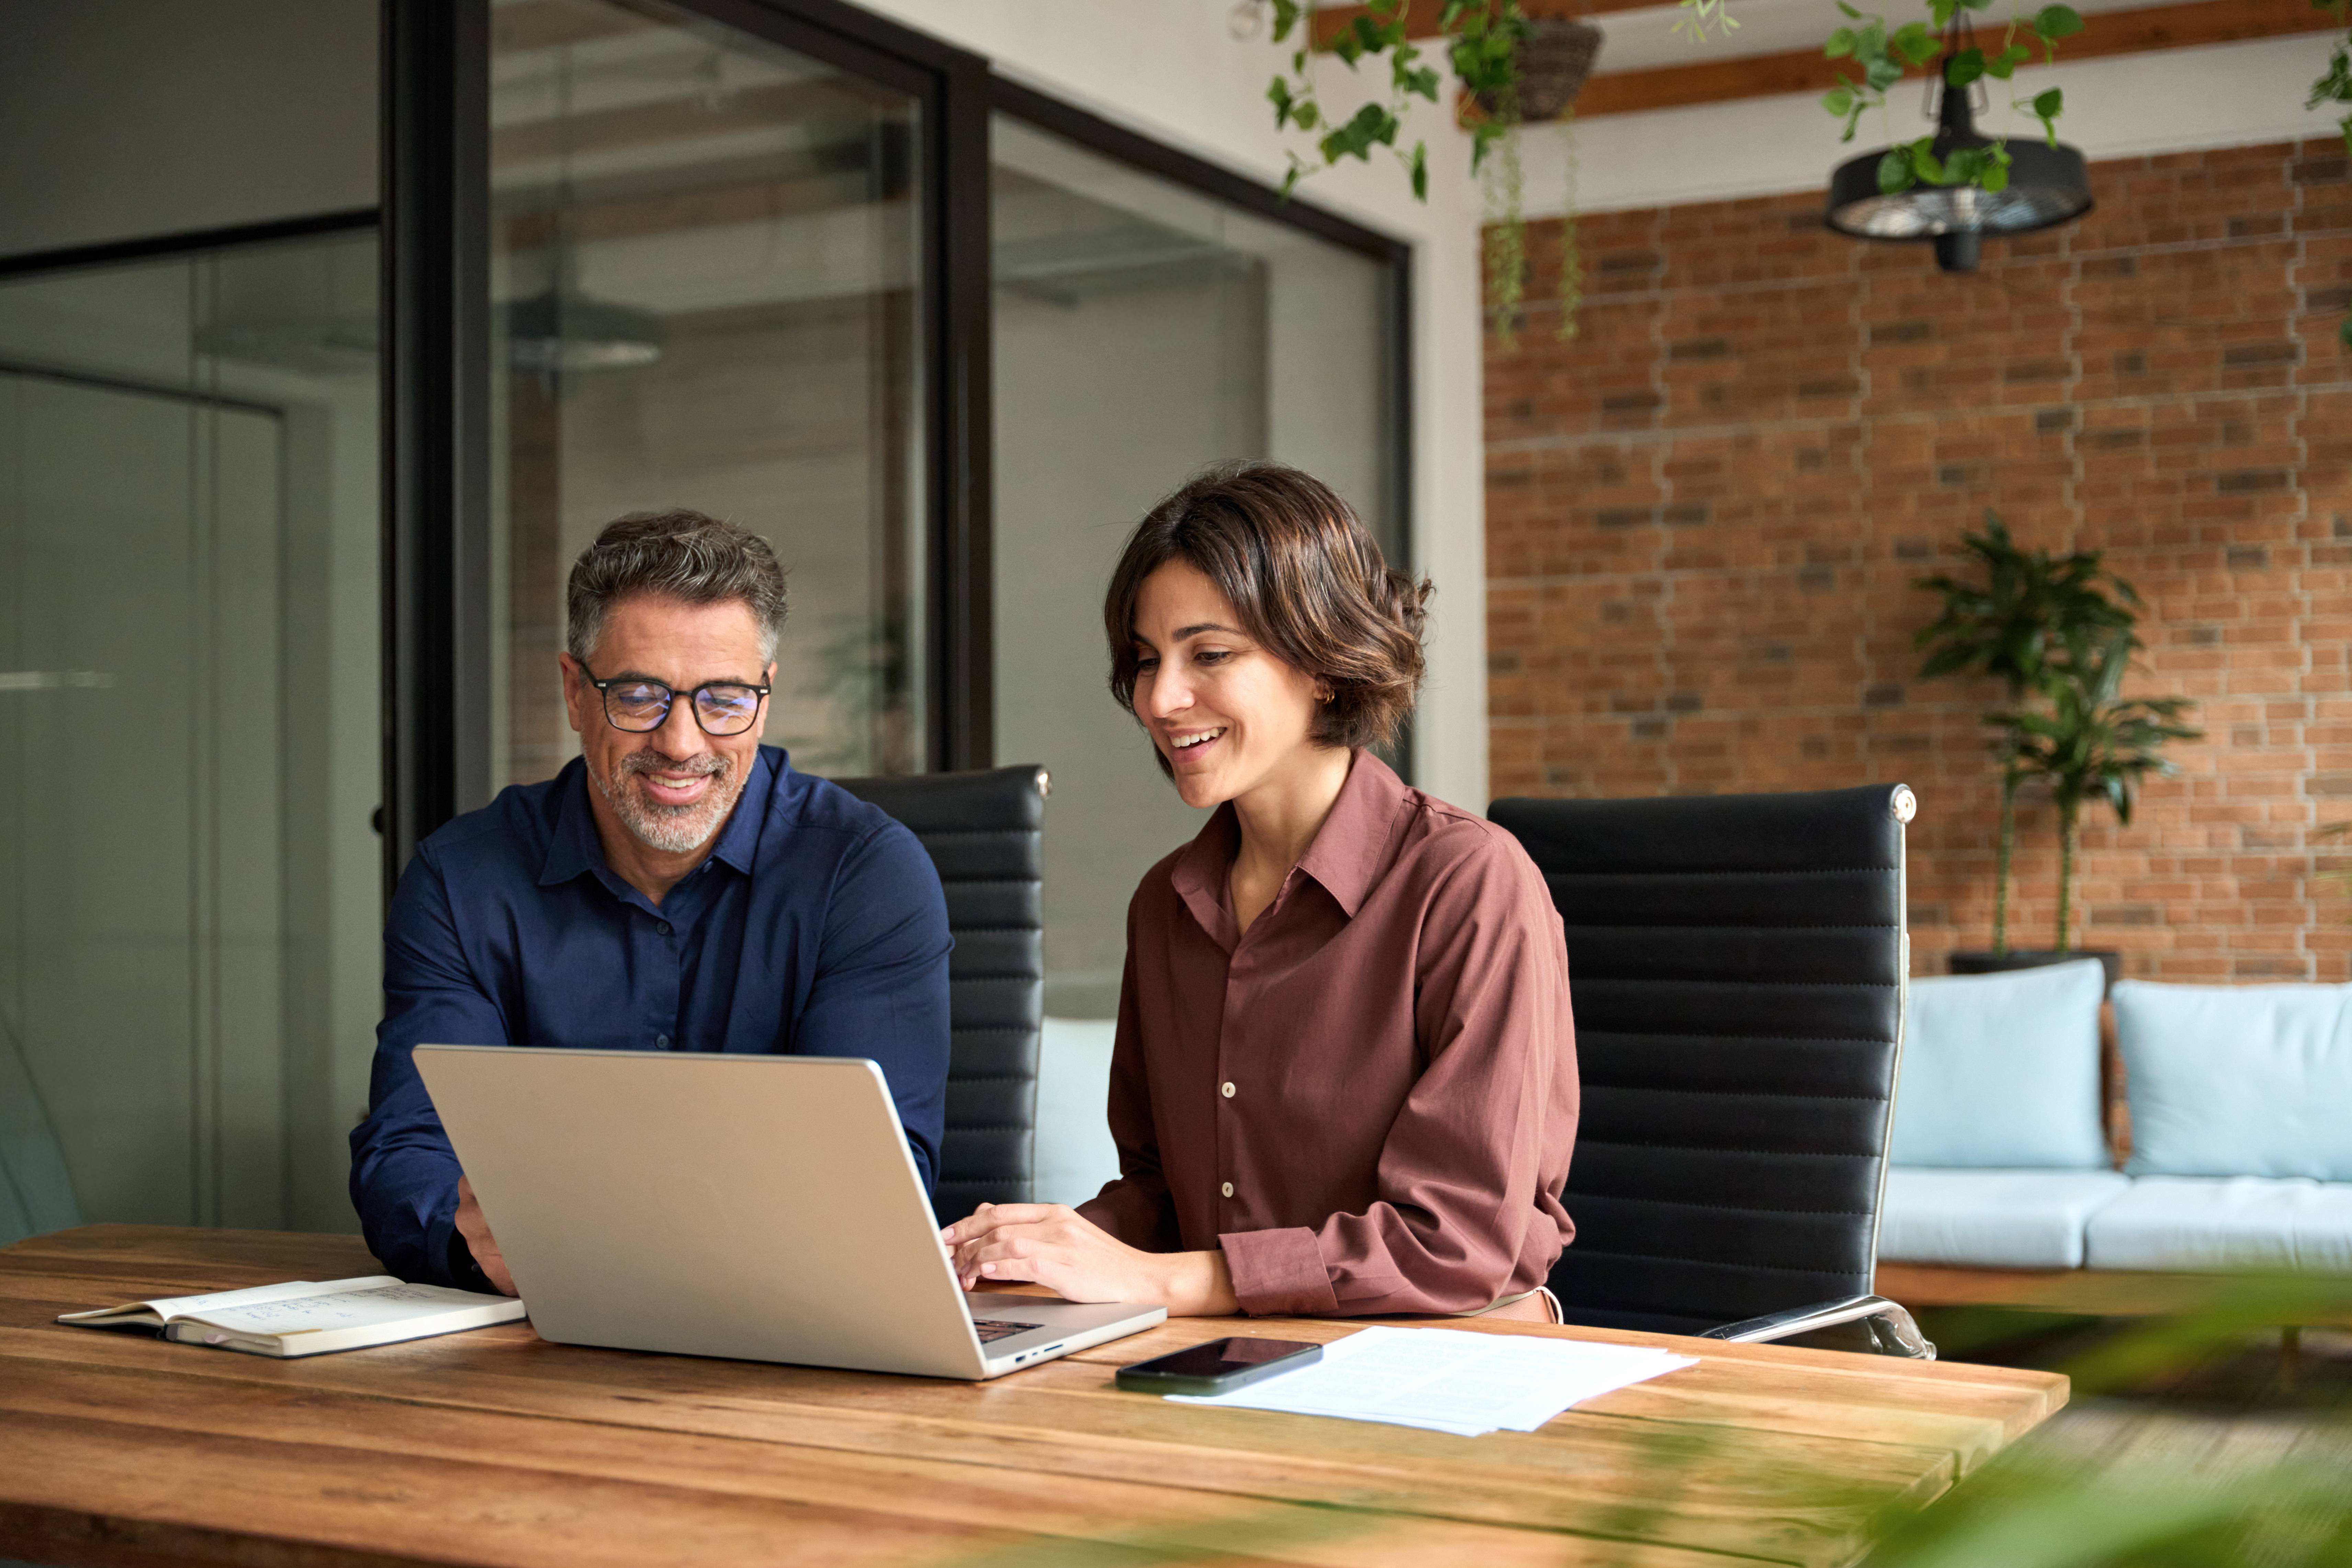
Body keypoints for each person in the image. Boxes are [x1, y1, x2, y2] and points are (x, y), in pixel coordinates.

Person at [942, 463, 1577, 1320]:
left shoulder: (1467, 884)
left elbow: (1454, 1242)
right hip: (1231, 1356)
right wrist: (1030, 1247)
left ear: (1322, 660)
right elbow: (1165, 1195)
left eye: (1209, 654)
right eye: (1144, 660)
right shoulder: (1166, 904)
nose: (1162, 699)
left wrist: (1163, 1282)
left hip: (1433, 1361)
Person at [352, 509, 952, 1294]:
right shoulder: (460, 881)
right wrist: (472, 1244)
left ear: (765, 699)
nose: (681, 742)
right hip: (532, 1325)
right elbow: (409, 1150)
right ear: (574, 691)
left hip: (789, 1329)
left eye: (724, 699)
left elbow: (876, 1180)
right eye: (637, 695)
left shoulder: (867, 875)